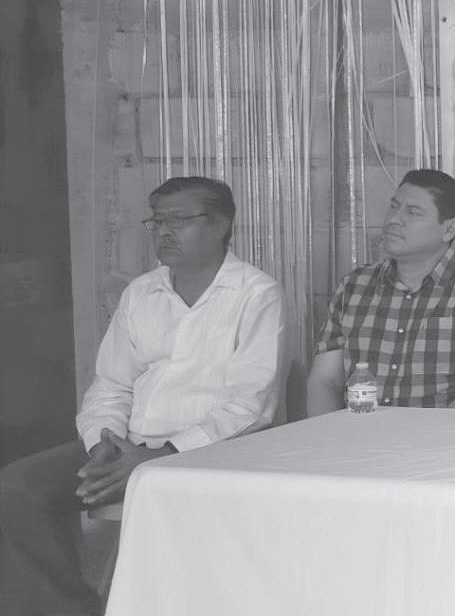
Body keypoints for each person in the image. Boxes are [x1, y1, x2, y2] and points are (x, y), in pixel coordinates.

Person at [0, 177, 284, 615]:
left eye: (180, 220)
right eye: (158, 221)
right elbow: (111, 384)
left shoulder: (257, 294)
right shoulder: (141, 292)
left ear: (221, 224)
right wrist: (102, 444)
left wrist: (163, 455)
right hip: (125, 446)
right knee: (18, 488)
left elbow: (251, 406)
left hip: (210, 453)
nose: (165, 231)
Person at [307, 169, 455, 413]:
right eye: (394, 207)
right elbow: (324, 381)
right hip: (357, 431)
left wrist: (421, 436)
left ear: (450, 229)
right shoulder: (354, 286)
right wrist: (328, 433)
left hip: (439, 434)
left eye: (413, 212)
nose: (394, 219)